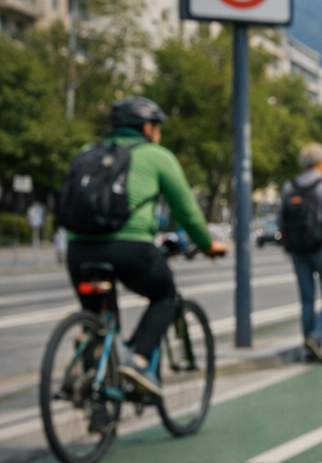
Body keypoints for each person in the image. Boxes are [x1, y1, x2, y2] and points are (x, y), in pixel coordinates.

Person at [66, 97, 228, 397]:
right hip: (129, 247)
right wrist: (207, 245)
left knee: (97, 319)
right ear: (147, 127)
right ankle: (139, 362)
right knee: (164, 294)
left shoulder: (86, 153)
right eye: (158, 127)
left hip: (78, 250)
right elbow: (187, 211)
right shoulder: (156, 156)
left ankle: (92, 385)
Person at [280, 143, 322, 363]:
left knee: (306, 299)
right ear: (320, 162)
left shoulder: (289, 187)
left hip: (298, 249)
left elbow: (280, 220)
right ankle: (316, 336)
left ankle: (308, 346)